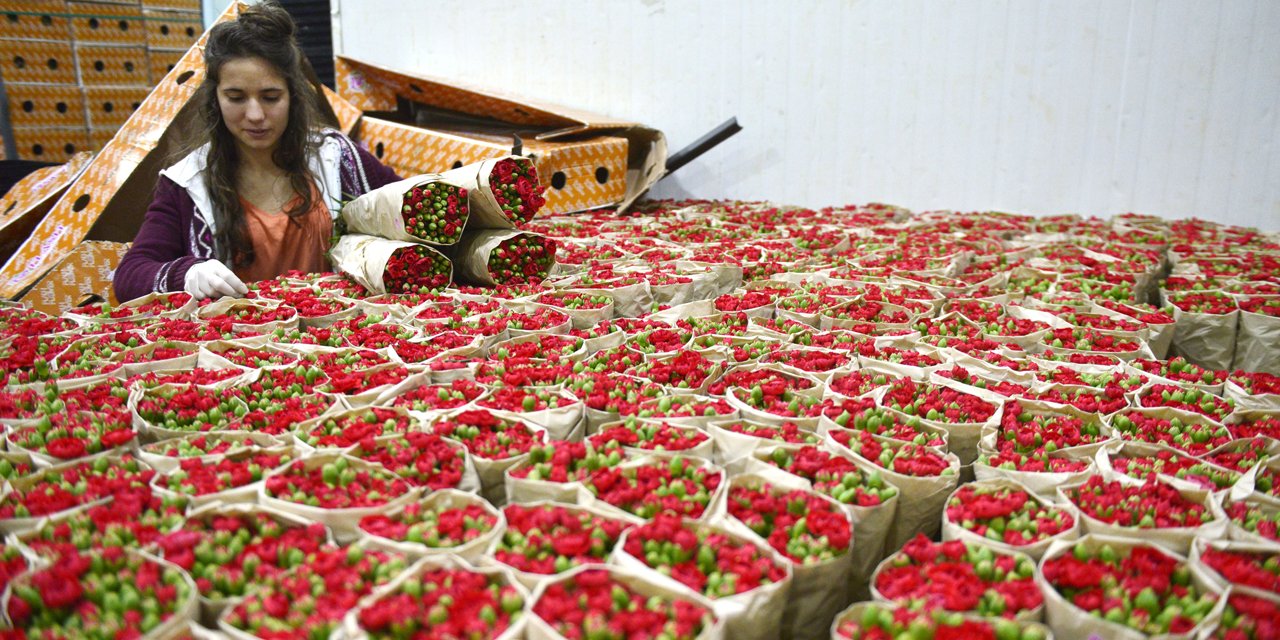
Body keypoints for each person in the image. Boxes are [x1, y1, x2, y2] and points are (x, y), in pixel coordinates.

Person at [113, 1, 399, 302]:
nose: (255, 115)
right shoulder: (187, 183)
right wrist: (186, 273)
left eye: (270, 97)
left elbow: (408, 205)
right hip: (239, 344)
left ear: (292, 95)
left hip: (344, 338)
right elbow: (130, 275)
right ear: (216, 99)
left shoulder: (336, 158)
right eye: (236, 97)